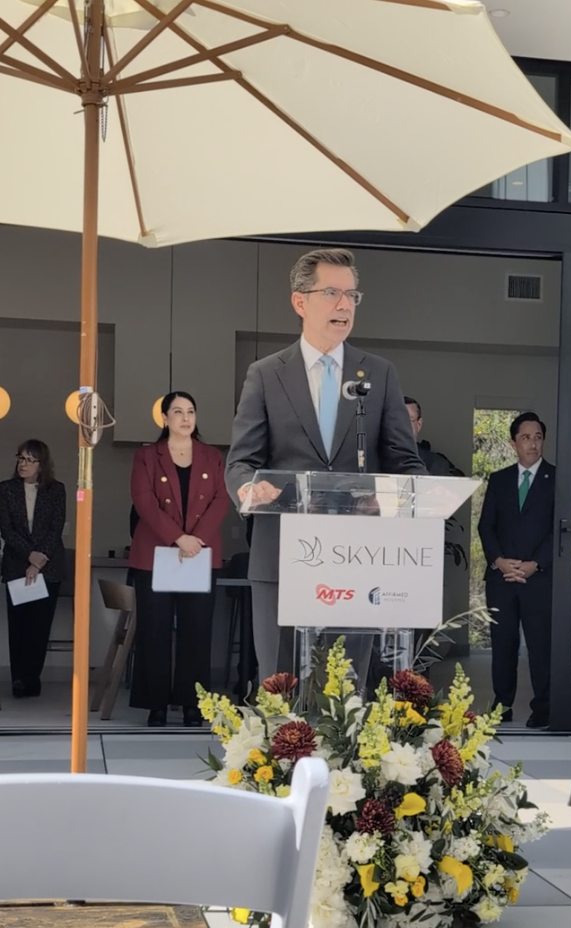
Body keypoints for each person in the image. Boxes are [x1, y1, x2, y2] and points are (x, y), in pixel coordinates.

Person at [226, 248, 426, 681]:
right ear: (300, 302)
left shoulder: (379, 373)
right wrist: (248, 489)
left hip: (356, 558)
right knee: (280, 691)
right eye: (332, 292)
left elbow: (406, 463)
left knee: (345, 693)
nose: (344, 304)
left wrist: (403, 497)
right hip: (281, 556)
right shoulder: (265, 374)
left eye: (352, 295)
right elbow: (241, 461)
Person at [129, 391, 229, 727]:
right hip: (156, 555)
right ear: (164, 418)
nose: (185, 418)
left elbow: (221, 499)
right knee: (154, 630)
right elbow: (143, 501)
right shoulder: (147, 456)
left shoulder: (212, 456)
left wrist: (194, 540)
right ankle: (155, 704)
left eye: (190, 411)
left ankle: (192, 704)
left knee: (197, 631)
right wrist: (178, 537)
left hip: (200, 554)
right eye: (177, 411)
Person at [478, 412, 555, 728]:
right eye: (525, 437)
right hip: (502, 578)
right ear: (513, 442)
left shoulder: (557, 479)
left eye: (537, 437)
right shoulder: (499, 479)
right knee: (503, 643)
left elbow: (558, 529)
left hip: (538, 578)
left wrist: (535, 564)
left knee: (540, 646)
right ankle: (502, 705)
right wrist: (499, 561)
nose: (533, 444)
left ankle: (544, 707)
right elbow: (486, 526)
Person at [0, 440, 66, 698]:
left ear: (42, 464)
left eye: (29, 460)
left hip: (48, 568)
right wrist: (29, 556)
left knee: (39, 626)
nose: (22, 464)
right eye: (20, 458)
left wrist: (39, 560)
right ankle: (18, 679)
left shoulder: (56, 490)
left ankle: (32, 678)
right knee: (18, 626)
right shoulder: (7, 489)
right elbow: (7, 529)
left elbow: (55, 528)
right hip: (18, 565)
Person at [404, 397, 464, 476]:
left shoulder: (437, 464)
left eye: (409, 420)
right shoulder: (382, 461)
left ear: (419, 424)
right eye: (397, 419)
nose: (403, 425)